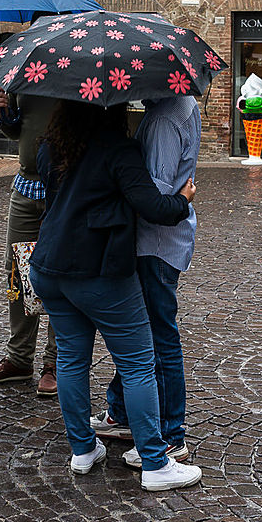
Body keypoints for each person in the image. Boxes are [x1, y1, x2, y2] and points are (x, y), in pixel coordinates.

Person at [29, 100, 203, 491]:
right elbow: (154, 206)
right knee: (139, 363)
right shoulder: (119, 150)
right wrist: (184, 199)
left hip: (50, 266)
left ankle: (83, 450)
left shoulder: (51, 145)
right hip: (99, 271)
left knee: (72, 360)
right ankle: (156, 464)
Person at [90, 96, 201, 469]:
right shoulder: (176, 109)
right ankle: (122, 413)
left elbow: (155, 194)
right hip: (158, 242)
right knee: (140, 335)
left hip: (155, 243)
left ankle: (171, 437)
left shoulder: (165, 120)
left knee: (158, 337)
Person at [0, 87, 59, 396]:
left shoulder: (76, 68)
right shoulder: (27, 72)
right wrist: (4, 111)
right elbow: (17, 129)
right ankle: (20, 358)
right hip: (26, 186)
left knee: (60, 272)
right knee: (17, 272)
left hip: (63, 187)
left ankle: (55, 363)